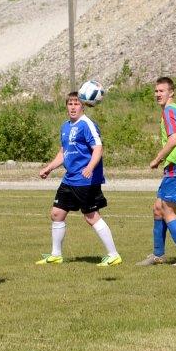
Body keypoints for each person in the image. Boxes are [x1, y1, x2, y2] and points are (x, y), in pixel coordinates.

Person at [36, 91, 121, 267]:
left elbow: (98, 148)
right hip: (69, 178)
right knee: (57, 214)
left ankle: (113, 255)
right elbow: (63, 152)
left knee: (91, 216)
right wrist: (49, 168)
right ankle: (56, 255)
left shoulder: (87, 124)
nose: (73, 107)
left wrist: (90, 167)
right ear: (66, 106)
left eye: (76, 103)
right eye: (70, 104)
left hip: (85, 180)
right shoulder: (65, 126)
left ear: (83, 106)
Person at [136, 77, 176, 267]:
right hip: (174, 167)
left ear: (171, 92)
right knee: (158, 208)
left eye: (161, 91)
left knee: (167, 210)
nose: (157, 94)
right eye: (156, 91)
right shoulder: (172, 110)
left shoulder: (170, 111)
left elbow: (173, 140)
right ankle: (158, 255)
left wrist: (157, 159)